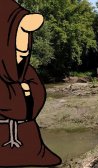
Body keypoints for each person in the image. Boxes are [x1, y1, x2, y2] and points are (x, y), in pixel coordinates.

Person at [0, 0, 61, 166]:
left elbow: (38, 94)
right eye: (21, 31)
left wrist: (19, 92)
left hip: (28, 138)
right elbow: (12, 106)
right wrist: (23, 91)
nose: (24, 45)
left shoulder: (26, 69)